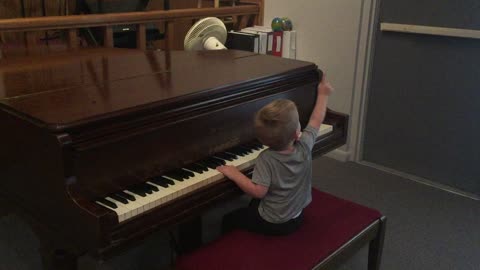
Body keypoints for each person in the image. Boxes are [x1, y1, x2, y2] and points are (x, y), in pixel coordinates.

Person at [216, 75, 334, 236]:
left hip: (273, 222)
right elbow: (316, 119)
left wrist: (235, 174)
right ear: (297, 133)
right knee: (254, 204)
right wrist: (323, 94)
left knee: (229, 219)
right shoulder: (305, 144)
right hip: (297, 214)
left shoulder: (267, 158)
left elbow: (258, 191)